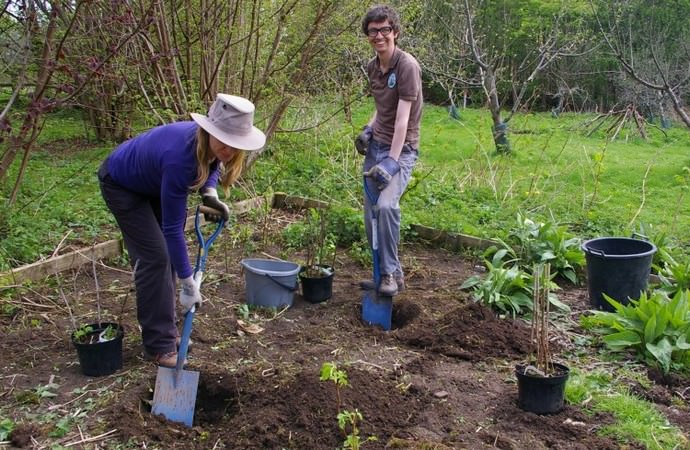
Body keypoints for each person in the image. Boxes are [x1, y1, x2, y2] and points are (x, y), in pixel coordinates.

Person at [98, 94, 266, 367]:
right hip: (122, 185)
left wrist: (210, 192)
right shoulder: (180, 158)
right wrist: (188, 284)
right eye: (225, 140)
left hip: (151, 182)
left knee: (165, 258)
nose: (230, 150)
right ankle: (159, 345)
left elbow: (213, 163)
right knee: (155, 258)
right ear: (210, 130)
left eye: (236, 144)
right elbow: (173, 229)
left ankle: (166, 334)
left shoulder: (211, 146)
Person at [356, 5, 423, 296]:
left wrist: (393, 163)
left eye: (385, 30)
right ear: (368, 36)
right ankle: (386, 273)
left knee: (386, 207)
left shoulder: (407, 66)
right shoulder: (373, 67)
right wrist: (368, 129)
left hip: (401, 149)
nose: (379, 36)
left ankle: (389, 273)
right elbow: (382, 108)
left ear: (395, 32)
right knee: (370, 214)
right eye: (373, 31)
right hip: (377, 145)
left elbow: (402, 119)